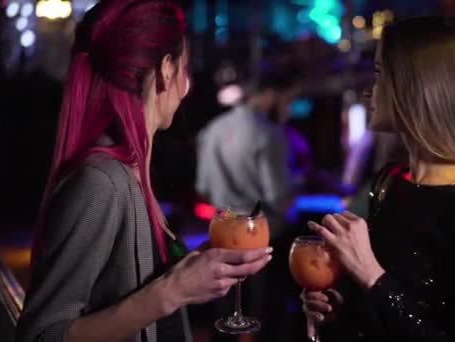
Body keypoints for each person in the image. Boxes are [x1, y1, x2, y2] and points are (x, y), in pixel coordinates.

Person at [15, 1, 272, 341]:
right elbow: (41, 335)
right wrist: (172, 291)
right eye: (185, 69)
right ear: (167, 70)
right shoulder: (100, 182)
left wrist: (194, 267)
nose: (186, 86)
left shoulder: (131, 170)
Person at [301, 16, 455, 342]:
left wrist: (371, 276)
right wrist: (341, 314)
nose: (368, 90)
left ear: (417, 85)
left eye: (379, 74)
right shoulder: (389, 180)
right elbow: (385, 317)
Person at [196, 75, 293, 237]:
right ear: (270, 95)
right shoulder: (269, 133)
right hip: (260, 234)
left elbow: (202, 188)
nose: (289, 109)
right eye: (288, 100)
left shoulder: (212, 129)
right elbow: (277, 199)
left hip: (220, 229)